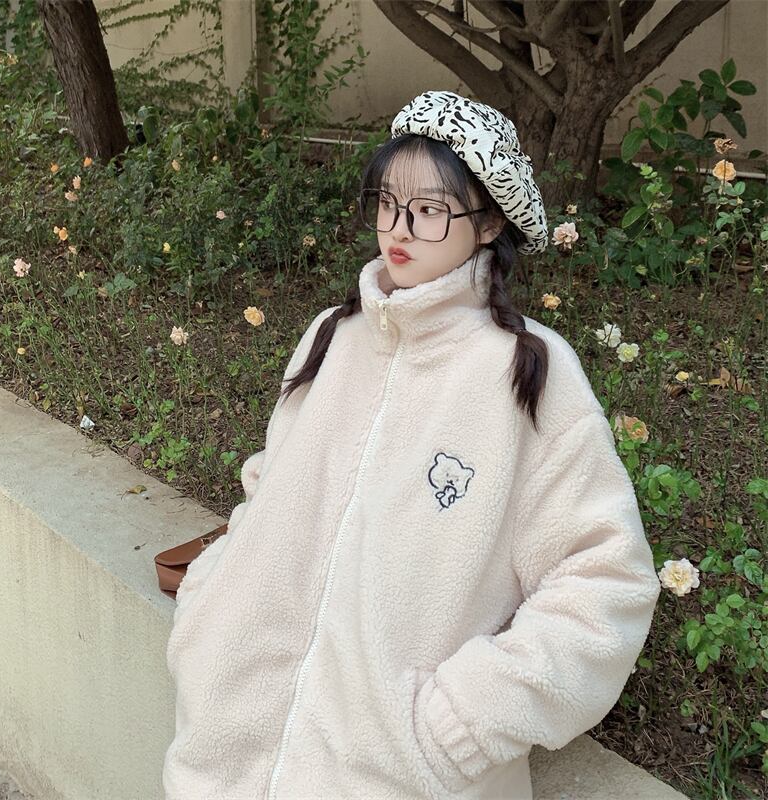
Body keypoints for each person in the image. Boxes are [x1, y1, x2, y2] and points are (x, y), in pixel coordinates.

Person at [162, 90, 661, 800]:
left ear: (488, 222)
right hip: (223, 753)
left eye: (429, 209)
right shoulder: (333, 336)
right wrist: (209, 611)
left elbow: (606, 580)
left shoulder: (528, 372)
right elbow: (267, 491)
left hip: (398, 776)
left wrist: (463, 722)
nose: (398, 229)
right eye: (387, 202)